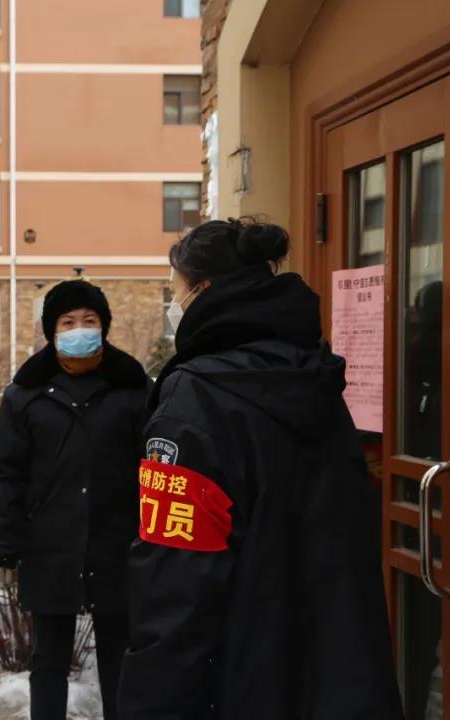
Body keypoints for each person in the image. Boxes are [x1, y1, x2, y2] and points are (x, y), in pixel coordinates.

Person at [118, 218, 402, 719]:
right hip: (342, 670)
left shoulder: (194, 401)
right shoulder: (314, 374)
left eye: (175, 291)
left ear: (203, 289)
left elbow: (175, 586)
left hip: (240, 679)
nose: (173, 306)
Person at [0, 279, 152, 720]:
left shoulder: (133, 389)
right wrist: (2, 545)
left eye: (89, 321)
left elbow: (155, 468)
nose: (80, 330)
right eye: (68, 322)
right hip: (49, 546)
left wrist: (153, 541)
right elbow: (4, 472)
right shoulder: (26, 393)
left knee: (121, 659)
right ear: (51, 331)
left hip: (119, 545)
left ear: (104, 326)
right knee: (49, 661)